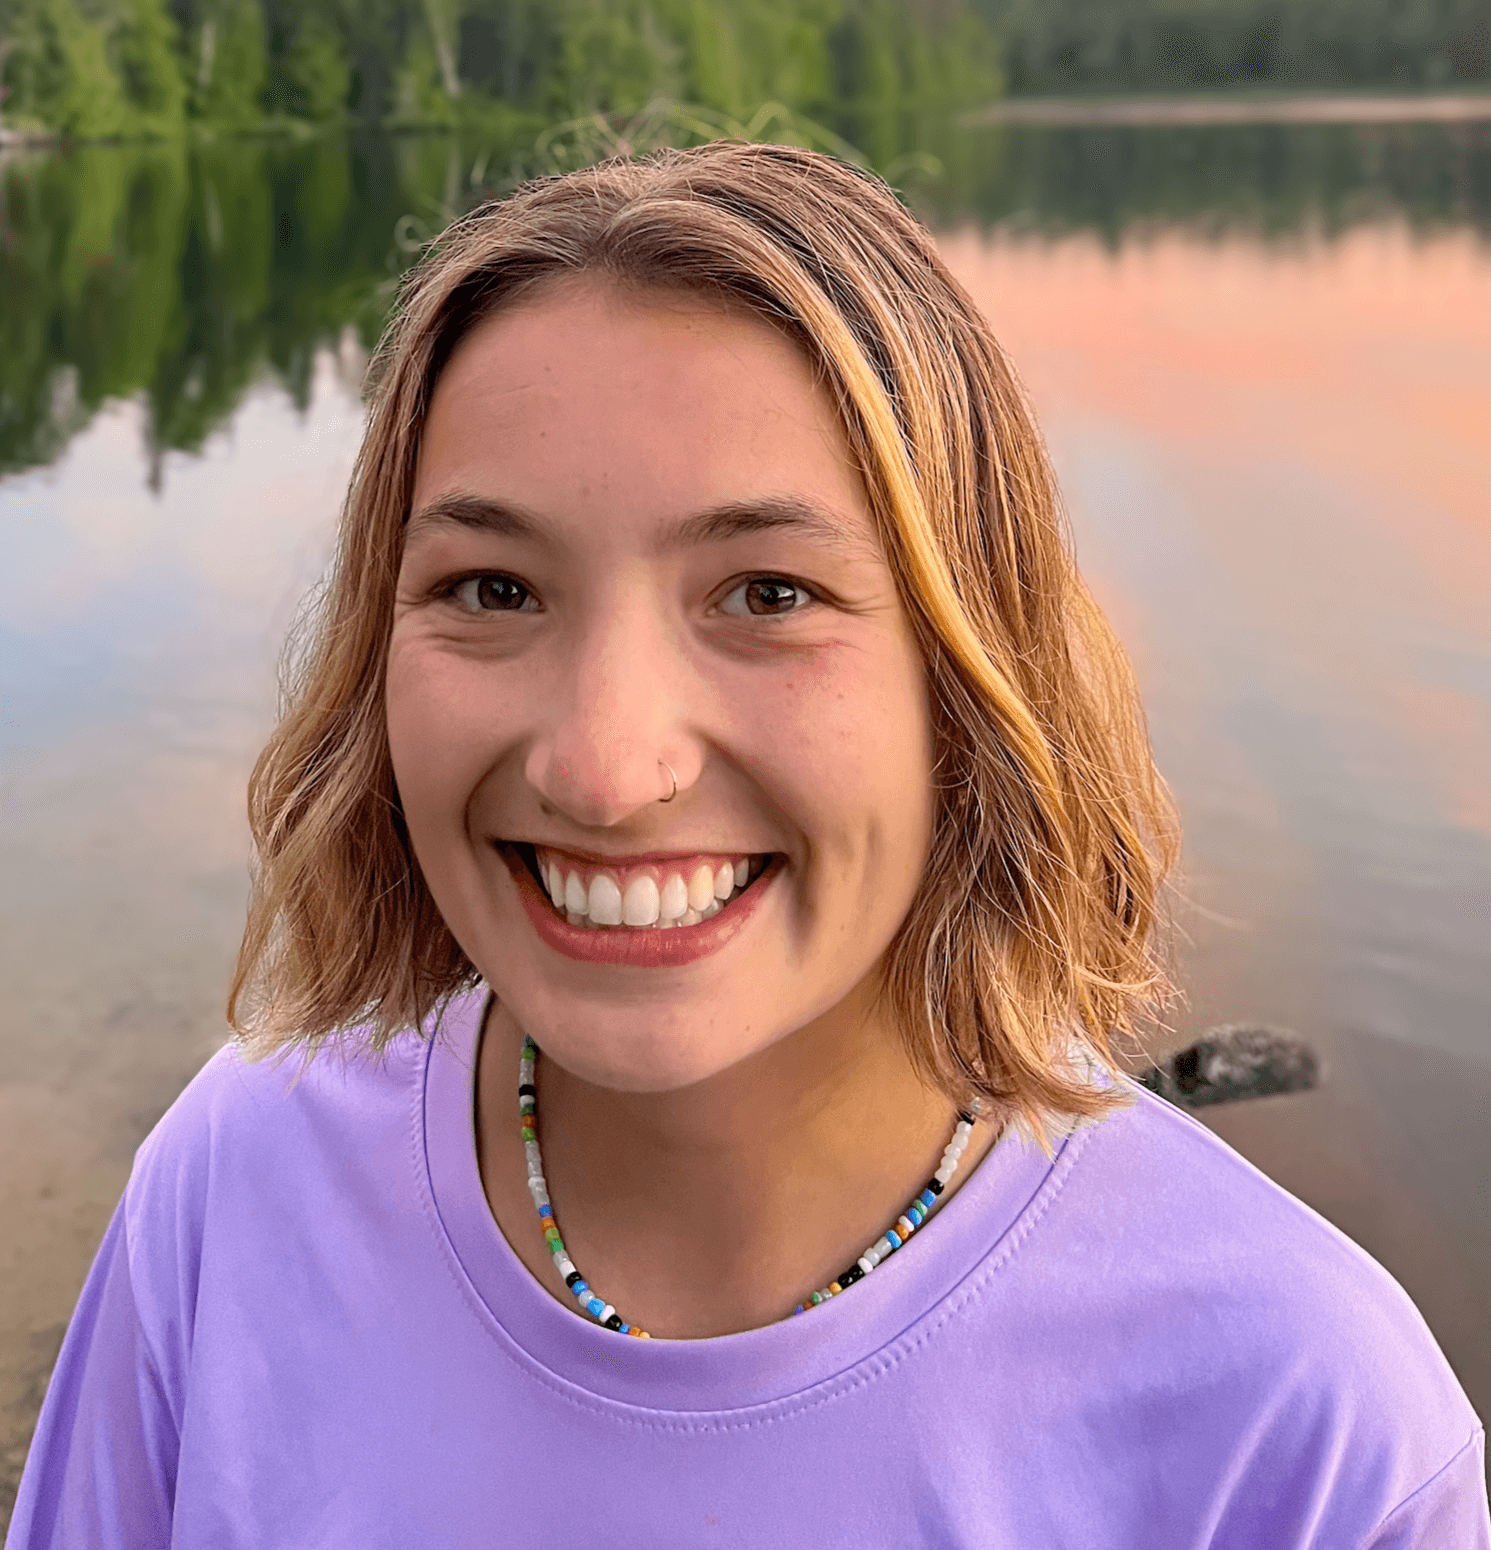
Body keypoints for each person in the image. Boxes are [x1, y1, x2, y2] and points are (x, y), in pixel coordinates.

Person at [9, 145, 1486, 1548]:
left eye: (767, 592)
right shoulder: (239, 1189)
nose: (602, 765)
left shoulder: (1298, 1432)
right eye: (495, 587)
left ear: (967, 676)